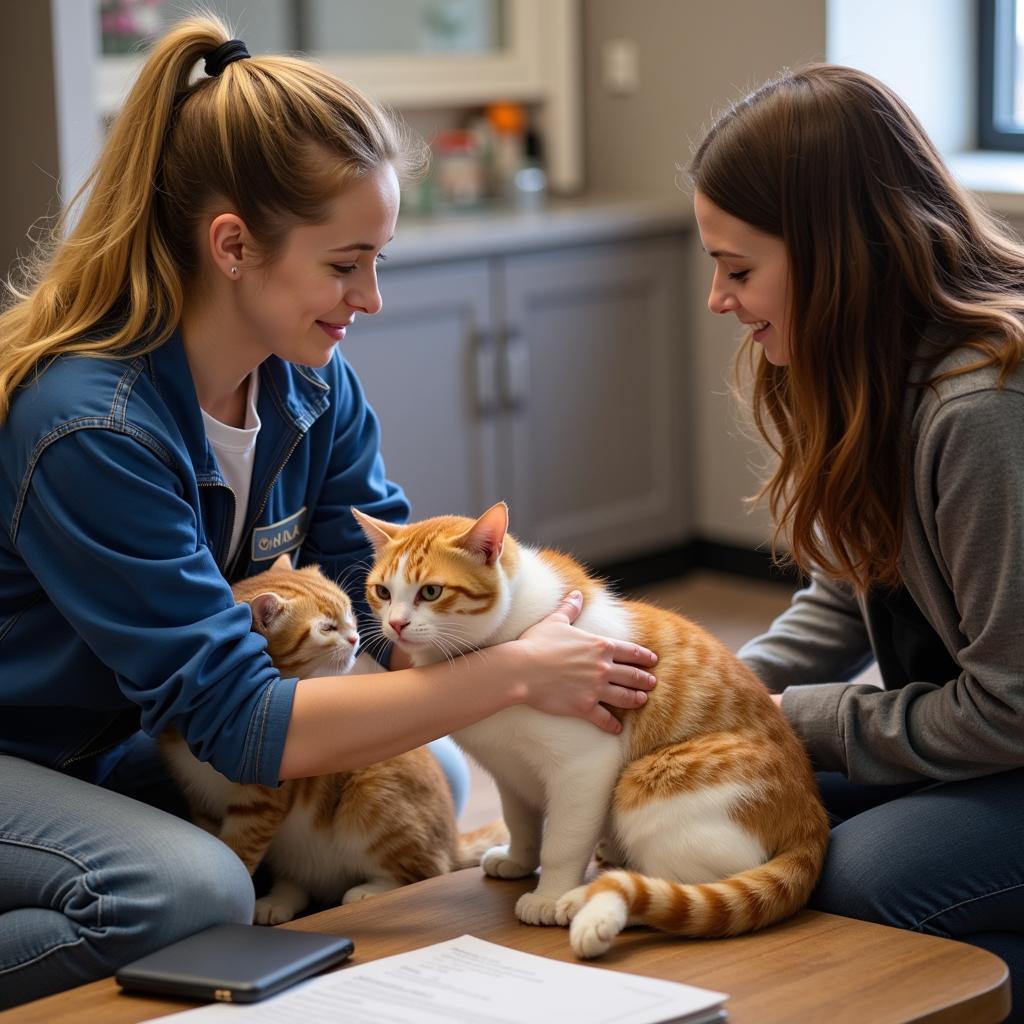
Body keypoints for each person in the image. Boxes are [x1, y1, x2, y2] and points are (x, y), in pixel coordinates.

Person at [0, 16, 658, 1009]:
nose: (373, 297)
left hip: (132, 736)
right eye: (347, 263)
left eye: (378, 259)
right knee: (186, 891)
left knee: (425, 759)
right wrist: (514, 677)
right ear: (232, 246)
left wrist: (521, 650)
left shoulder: (313, 388)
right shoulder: (87, 427)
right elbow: (240, 717)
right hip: (31, 753)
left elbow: (390, 609)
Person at [690, 64, 1024, 1020]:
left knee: (869, 879)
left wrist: (798, 720)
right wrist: (722, 697)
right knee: (741, 817)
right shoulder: (873, 367)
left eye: (740, 269)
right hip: (995, 741)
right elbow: (850, 585)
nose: (720, 300)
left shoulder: (983, 410)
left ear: (839, 255)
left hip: (1011, 729)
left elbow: (1010, 707)